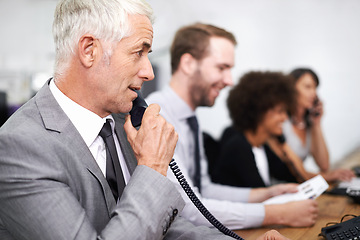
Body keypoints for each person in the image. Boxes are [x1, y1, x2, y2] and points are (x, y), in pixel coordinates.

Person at [0, 1, 288, 239]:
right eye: (139, 52)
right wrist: (152, 167)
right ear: (89, 50)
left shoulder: (121, 121)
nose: (149, 72)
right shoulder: (20, 146)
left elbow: (164, 228)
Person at [146, 23, 318, 230]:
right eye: (222, 68)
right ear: (188, 63)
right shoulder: (157, 115)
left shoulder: (189, 118)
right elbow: (186, 208)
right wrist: (276, 214)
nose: (229, 81)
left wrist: (267, 194)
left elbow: (204, 190)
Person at [211, 71, 304, 188]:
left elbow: (291, 177)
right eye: (280, 111)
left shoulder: (262, 145)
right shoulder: (239, 147)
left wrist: (284, 146)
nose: (285, 118)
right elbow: (260, 193)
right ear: (259, 112)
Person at [272, 68, 354, 183]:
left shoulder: (308, 122)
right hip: (280, 185)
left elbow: (324, 165)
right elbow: (290, 170)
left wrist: (317, 124)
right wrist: (327, 177)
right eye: (307, 87)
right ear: (290, 89)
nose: (314, 93)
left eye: (315, 88)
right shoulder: (280, 122)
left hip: (299, 185)